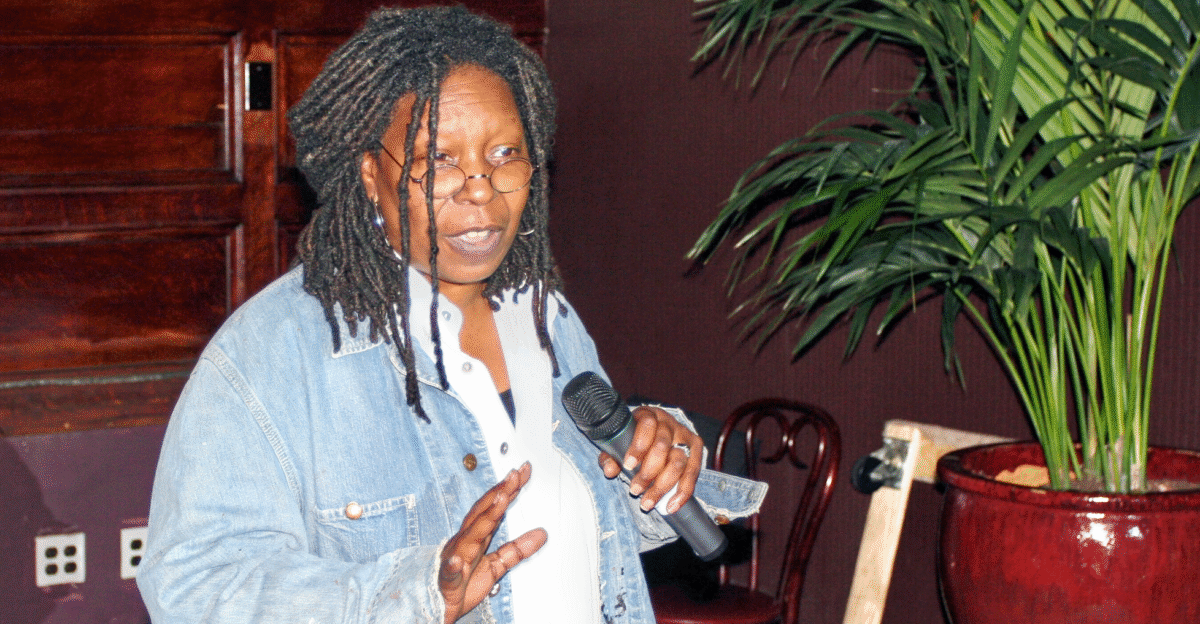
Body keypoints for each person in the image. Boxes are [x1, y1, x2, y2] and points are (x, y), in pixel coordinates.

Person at [136, 6, 765, 624]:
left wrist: (658, 465)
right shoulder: (270, 354)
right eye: (438, 160)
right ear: (368, 177)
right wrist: (411, 595)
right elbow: (195, 587)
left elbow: (587, 523)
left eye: (504, 155)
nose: (480, 189)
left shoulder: (547, 318)